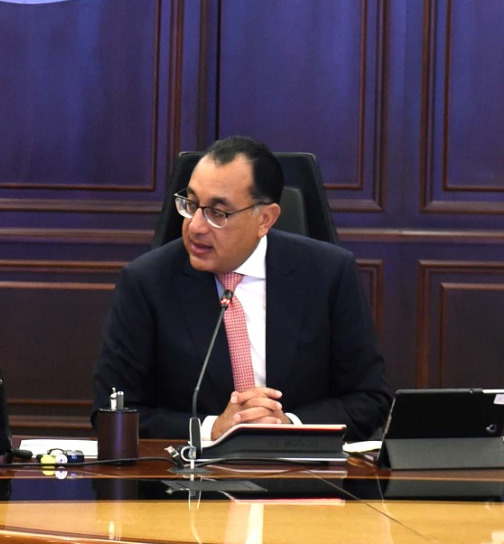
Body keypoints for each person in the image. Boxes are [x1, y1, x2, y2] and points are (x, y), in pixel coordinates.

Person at [92, 136, 390, 442]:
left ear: (265, 219)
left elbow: (369, 399)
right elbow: (111, 411)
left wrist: (289, 425)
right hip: (192, 469)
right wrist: (211, 429)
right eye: (191, 205)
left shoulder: (329, 274)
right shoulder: (146, 282)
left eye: (217, 213)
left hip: (302, 466)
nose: (195, 226)